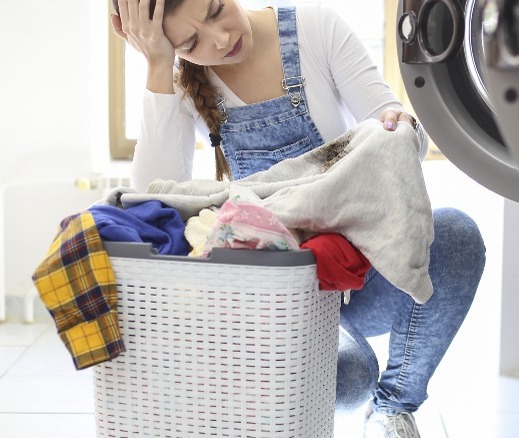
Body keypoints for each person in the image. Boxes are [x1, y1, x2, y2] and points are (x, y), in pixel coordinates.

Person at [110, 0, 486, 436]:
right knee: (348, 377)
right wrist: (159, 64)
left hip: (360, 273)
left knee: (457, 233)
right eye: (190, 42)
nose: (221, 39)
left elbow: (400, 141)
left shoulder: (313, 28)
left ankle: (393, 408)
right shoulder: (183, 83)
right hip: (283, 296)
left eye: (215, 10)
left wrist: (398, 127)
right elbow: (151, 200)